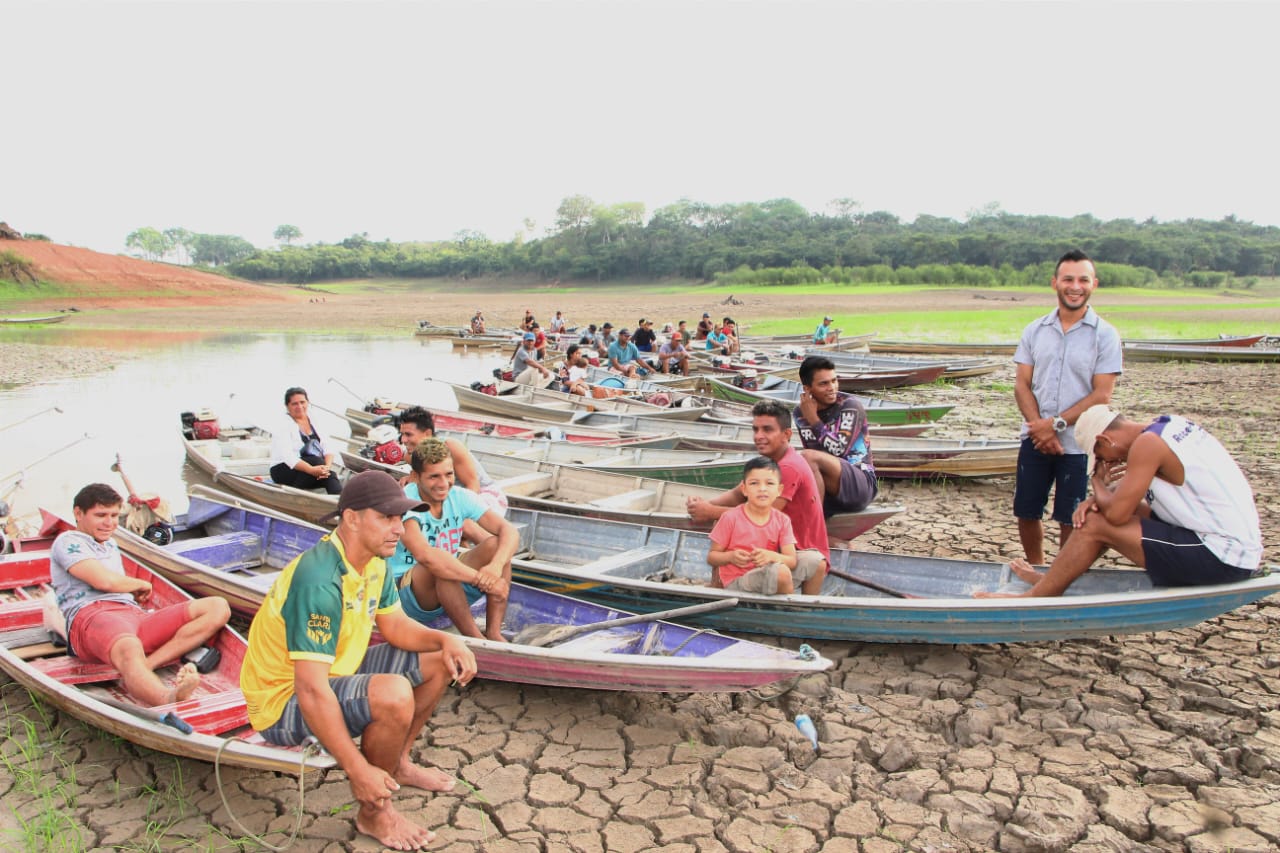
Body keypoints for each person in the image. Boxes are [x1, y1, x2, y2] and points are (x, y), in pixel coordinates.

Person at [241, 470, 477, 850]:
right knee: (393, 693)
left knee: (436, 660)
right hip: (282, 701)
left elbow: (396, 626)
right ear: (351, 518)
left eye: (400, 519)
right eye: (386, 518)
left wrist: (444, 639)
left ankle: (397, 763)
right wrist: (357, 769)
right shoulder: (319, 580)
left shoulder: (375, 561)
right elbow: (311, 689)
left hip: (336, 674)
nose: (398, 529)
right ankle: (374, 812)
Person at [978, 405, 1263, 598]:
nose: (1106, 462)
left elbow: (1115, 518)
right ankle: (1052, 581)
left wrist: (1098, 485)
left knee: (1094, 523)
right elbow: (1147, 513)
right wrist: (1100, 500)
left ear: (1105, 439)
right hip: (1235, 549)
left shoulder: (1147, 445)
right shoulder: (1168, 426)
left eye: (1100, 456)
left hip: (1222, 557)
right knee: (1098, 518)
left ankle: (1034, 598)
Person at [49, 483, 232, 706]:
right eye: (101, 515)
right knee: (129, 648)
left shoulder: (110, 544)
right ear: (79, 513)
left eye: (115, 515)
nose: (110, 523)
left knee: (217, 607)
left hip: (132, 615)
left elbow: (115, 584)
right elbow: (103, 580)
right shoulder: (68, 541)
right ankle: (168, 697)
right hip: (91, 617)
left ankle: (145, 667)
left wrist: (132, 591)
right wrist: (140, 584)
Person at [1013, 249, 1123, 566]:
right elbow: (1022, 384)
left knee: (1069, 514)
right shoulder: (1035, 330)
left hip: (1078, 442)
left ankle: (1061, 572)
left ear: (1094, 284)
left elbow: (1101, 394)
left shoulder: (1105, 335)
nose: (1075, 286)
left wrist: (1055, 425)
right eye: (1068, 279)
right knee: (1026, 509)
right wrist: (1039, 428)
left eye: (1083, 280)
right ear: (1055, 283)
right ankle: (1036, 566)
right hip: (1035, 438)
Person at [686, 400, 828, 593]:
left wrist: (710, 511)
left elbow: (765, 512)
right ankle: (720, 586)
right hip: (772, 548)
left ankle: (797, 609)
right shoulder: (771, 462)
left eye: (767, 430)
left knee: (813, 563)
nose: (759, 436)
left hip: (793, 547)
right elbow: (737, 494)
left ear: (786, 435)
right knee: (723, 517)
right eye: (756, 430)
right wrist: (704, 506)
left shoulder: (788, 466)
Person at [390, 438, 520, 643]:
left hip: (448, 587)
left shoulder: (459, 496)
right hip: (407, 594)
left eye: (449, 474)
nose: (443, 484)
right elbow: (426, 556)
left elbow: (509, 531)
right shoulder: (406, 501)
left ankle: (494, 632)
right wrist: (482, 580)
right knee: (441, 564)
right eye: (434, 477)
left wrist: (495, 567)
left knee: (497, 546)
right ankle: (475, 639)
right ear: (415, 476)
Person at [707, 457, 818, 595]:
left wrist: (771, 556)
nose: (762, 489)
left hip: (768, 571)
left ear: (779, 490)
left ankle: (809, 607)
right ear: (744, 489)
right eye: (754, 483)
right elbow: (712, 557)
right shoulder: (730, 517)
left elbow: (791, 560)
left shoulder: (782, 520)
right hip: (738, 581)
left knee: (816, 560)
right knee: (782, 573)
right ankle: (789, 611)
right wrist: (730, 556)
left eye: (769, 483)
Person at [793, 355, 877, 517]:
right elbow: (813, 451)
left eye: (834, 380)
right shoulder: (799, 413)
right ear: (807, 388)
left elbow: (839, 450)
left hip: (860, 484)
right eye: (823, 383)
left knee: (807, 457)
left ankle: (814, 524)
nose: (832, 387)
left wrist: (814, 420)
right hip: (826, 485)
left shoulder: (850, 406)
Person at [397, 406, 508, 516]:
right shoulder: (410, 456)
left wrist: (459, 515)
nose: (403, 440)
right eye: (402, 434)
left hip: (483, 495)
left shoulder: (452, 447)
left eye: (408, 434)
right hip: (448, 495)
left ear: (427, 434)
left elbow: (473, 485)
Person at [271, 386, 343, 494]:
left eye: (302, 402)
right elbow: (288, 457)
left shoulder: (315, 419)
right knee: (316, 461)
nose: (299, 406)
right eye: (294, 404)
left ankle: (340, 505)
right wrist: (312, 470)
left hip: (311, 468)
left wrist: (326, 468)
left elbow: (328, 447)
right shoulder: (283, 425)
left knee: (330, 475)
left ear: (307, 402)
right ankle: (294, 497)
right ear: (287, 406)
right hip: (283, 469)